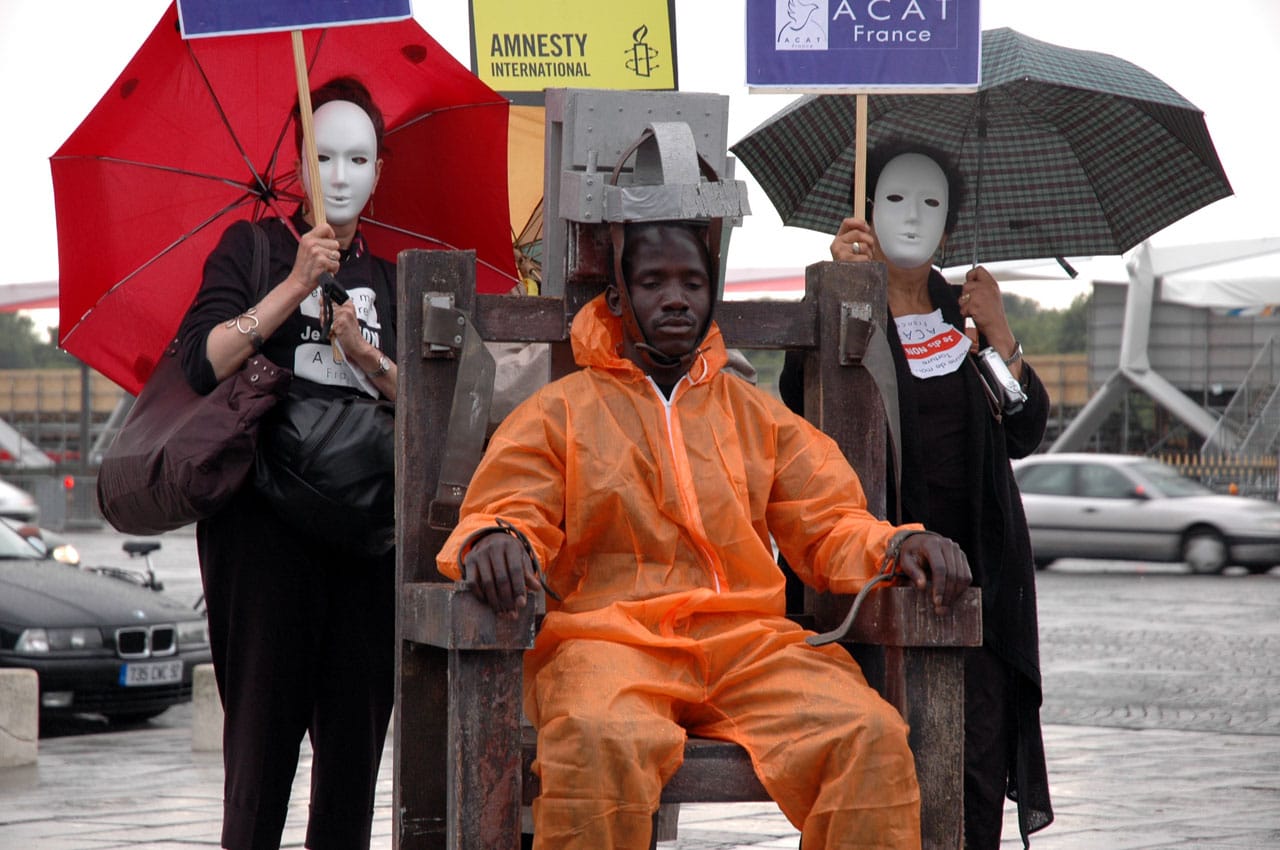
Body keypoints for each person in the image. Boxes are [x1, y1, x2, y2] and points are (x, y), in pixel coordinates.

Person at [436, 217, 973, 850]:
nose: (675, 297)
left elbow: (830, 521)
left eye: (692, 282)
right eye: (653, 281)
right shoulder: (560, 411)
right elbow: (512, 502)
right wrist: (498, 537)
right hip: (611, 645)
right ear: (618, 299)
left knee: (868, 735)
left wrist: (896, 544)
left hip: (748, 646)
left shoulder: (754, 414)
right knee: (597, 739)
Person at [779, 144, 1054, 848]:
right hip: (877, 571)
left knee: (977, 759)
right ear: (866, 211)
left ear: (951, 228)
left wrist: (999, 331)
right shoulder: (848, 300)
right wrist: (839, 293)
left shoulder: (962, 313)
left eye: (931, 204)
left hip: (982, 582)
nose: (911, 215)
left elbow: (1024, 427)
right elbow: (798, 412)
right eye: (895, 198)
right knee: (883, 757)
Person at [176, 76, 397, 850]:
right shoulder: (253, 248)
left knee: (351, 773)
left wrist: (369, 359)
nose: (340, 175)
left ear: (380, 170)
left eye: (359, 157)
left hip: (364, 543)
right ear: (300, 166)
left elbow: (432, 410)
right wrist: (294, 285)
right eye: (323, 155)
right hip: (263, 535)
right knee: (259, 766)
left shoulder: (395, 278)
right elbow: (204, 361)